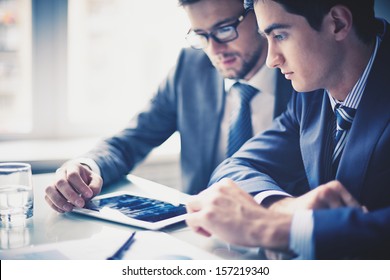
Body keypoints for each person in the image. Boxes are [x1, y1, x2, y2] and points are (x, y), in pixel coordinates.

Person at [186, 0, 390, 259]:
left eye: (280, 35)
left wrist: (274, 228)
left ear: (337, 23)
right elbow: (235, 167)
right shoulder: (311, 93)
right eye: (267, 38)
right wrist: (284, 207)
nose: (271, 59)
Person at [44, 0, 293, 213]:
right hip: (199, 233)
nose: (214, 49)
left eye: (225, 29)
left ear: (259, 15)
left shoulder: (302, 78)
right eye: (201, 36)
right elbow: (130, 141)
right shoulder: (191, 67)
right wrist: (87, 167)